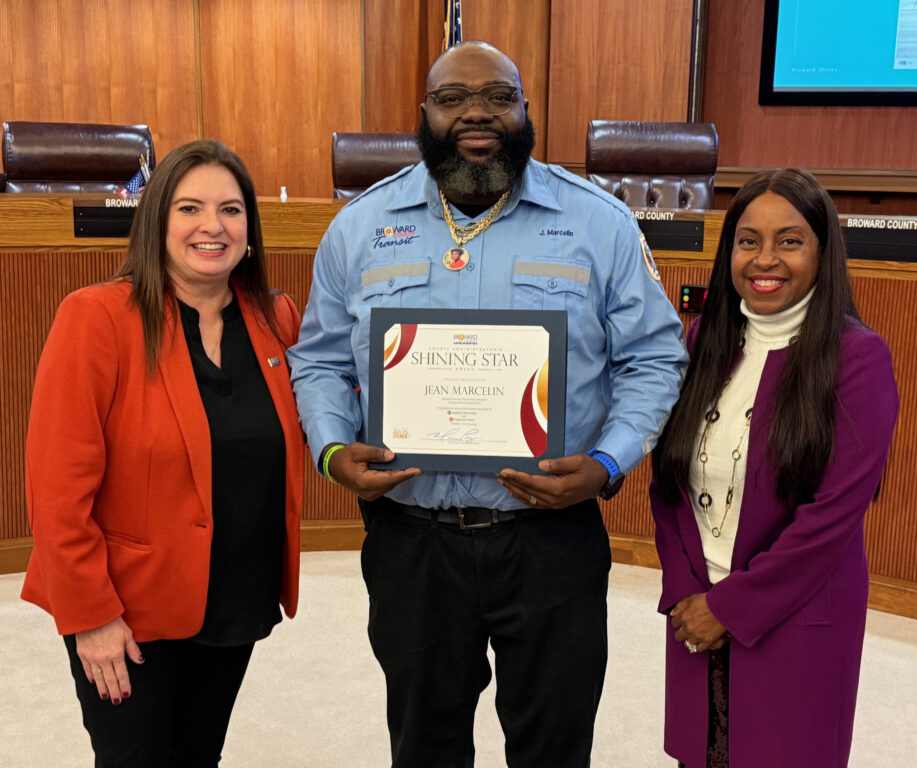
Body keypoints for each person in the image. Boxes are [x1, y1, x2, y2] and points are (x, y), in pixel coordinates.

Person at [288, 40, 685, 768]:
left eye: (500, 96)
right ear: (425, 114)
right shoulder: (359, 228)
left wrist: (607, 461)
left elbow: (653, 358)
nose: (477, 112)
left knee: (553, 746)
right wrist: (334, 449)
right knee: (424, 743)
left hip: (550, 538)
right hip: (414, 539)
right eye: (454, 98)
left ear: (526, 110)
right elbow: (316, 357)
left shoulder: (600, 223)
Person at [21, 140, 305, 767]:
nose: (213, 226)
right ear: (156, 222)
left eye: (231, 209)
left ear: (250, 228)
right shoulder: (96, 318)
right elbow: (55, 488)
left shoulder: (275, 319)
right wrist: (89, 615)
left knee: (199, 755)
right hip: (129, 612)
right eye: (190, 208)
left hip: (236, 594)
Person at [649, 168, 899, 768]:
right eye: (748, 240)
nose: (766, 259)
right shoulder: (702, 339)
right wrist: (688, 593)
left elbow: (830, 520)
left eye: (789, 241)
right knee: (702, 756)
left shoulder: (858, 359)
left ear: (822, 251)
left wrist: (728, 609)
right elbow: (668, 482)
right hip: (695, 611)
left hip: (797, 614)